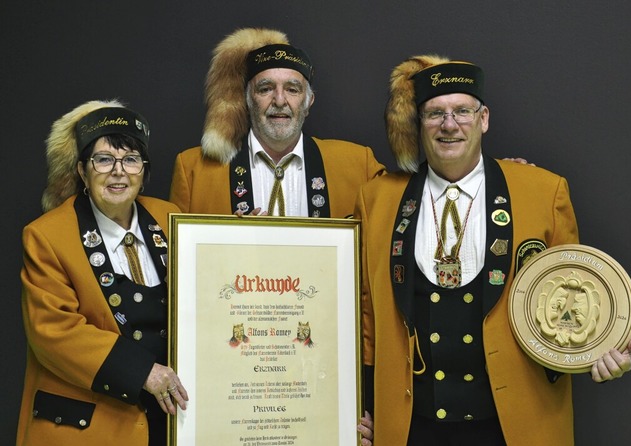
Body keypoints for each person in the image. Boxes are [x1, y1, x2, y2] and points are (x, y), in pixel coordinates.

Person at [354, 55, 631, 445]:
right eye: (435, 113)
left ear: (484, 118)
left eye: (462, 112)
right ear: (418, 124)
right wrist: (356, 406)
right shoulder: (377, 199)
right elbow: (366, 321)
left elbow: (571, 292)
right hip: (410, 428)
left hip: (514, 427)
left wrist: (599, 352)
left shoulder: (542, 191)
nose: (449, 125)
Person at [17, 100, 188, 446]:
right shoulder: (46, 235)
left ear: (143, 170)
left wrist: (242, 240)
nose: (119, 171)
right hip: (92, 427)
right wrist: (144, 373)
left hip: (171, 423)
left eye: (130, 160)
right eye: (104, 159)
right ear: (82, 170)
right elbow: (54, 331)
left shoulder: (171, 216)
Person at [169, 27, 385, 217]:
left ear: (309, 101)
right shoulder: (193, 171)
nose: (280, 101)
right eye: (265, 89)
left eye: (292, 89)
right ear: (247, 99)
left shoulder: (359, 166)